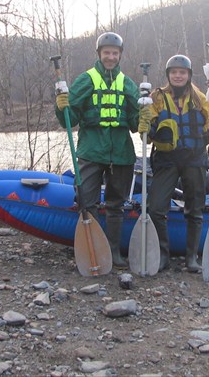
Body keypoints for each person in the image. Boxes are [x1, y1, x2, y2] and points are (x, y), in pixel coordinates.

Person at [55, 32, 140, 269]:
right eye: (107, 53)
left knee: (116, 204)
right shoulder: (86, 80)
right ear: (99, 54)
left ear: (120, 55)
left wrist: (145, 119)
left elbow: (134, 123)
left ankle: (113, 252)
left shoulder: (128, 84)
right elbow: (69, 119)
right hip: (92, 150)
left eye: (115, 53)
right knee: (86, 200)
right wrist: (61, 107)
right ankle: (91, 247)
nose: (110, 57)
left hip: (121, 153)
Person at [138, 54, 209, 272]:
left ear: (188, 75)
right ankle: (163, 256)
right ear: (168, 75)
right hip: (166, 159)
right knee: (156, 208)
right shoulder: (157, 97)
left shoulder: (200, 98)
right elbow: (147, 128)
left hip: (194, 158)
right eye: (174, 72)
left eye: (182, 72)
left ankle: (191, 258)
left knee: (194, 210)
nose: (178, 76)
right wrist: (144, 124)